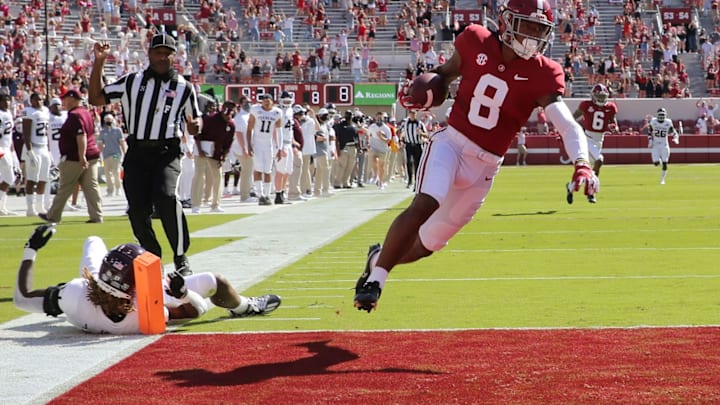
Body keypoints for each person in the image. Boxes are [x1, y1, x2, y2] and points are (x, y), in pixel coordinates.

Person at [353, 0, 597, 313]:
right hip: (451, 144)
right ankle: (376, 283)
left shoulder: (543, 73)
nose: (535, 36)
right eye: (529, 26)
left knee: (424, 246)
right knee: (426, 203)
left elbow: (566, 124)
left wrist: (582, 163)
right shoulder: (475, 41)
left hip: (485, 168)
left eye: (540, 29)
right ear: (507, 22)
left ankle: (376, 259)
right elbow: (443, 74)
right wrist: (423, 90)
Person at [13, 224, 282, 334]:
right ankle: (245, 307)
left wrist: (31, 249)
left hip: (96, 281)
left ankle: (111, 268)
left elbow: (21, 298)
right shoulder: (146, 309)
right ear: (135, 286)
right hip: (112, 287)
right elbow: (196, 311)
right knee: (216, 281)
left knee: (94, 240)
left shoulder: (74, 293)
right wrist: (182, 294)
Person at [88, 33, 202, 276]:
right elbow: (96, 98)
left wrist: (195, 126)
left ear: (174, 56)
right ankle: (152, 256)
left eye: (166, 53)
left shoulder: (184, 87)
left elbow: (196, 118)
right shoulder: (132, 81)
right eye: (157, 52)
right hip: (137, 150)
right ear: (149, 54)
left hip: (167, 151)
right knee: (137, 209)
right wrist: (99, 62)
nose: (161, 57)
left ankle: (181, 255)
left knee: (166, 196)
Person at [40, 89, 103, 224]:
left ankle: (53, 215)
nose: (64, 102)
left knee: (65, 187)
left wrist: (81, 156)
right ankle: (96, 216)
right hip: (91, 154)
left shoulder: (75, 115)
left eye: (65, 99)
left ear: (72, 99)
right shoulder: (86, 113)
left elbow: (81, 136)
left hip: (76, 158)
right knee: (91, 187)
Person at [571, 83, 618, 203]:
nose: (601, 99)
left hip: (599, 140)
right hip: (587, 138)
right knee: (599, 160)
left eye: (603, 96)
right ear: (593, 95)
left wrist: (614, 128)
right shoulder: (586, 105)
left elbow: (613, 123)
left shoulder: (610, 107)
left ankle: (571, 187)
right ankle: (591, 191)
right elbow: (573, 118)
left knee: (588, 169)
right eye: (599, 96)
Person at [191, 101, 237, 213]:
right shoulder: (209, 119)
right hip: (202, 150)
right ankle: (196, 205)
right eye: (226, 114)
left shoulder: (231, 125)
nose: (228, 117)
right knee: (199, 176)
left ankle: (215, 204)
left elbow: (228, 144)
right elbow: (197, 135)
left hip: (216, 153)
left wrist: (223, 157)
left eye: (230, 115)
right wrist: (200, 149)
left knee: (218, 178)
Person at [246, 94, 283, 206]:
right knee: (258, 169)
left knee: (268, 170)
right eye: (264, 101)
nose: (266, 103)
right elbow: (249, 128)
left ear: (273, 102)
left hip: (268, 143)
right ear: (261, 102)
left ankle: (266, 195)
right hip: (257, 143)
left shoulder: (277, 112)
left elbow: (279, 131)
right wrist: (249, 144)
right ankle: (260, 195)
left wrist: (279, 148)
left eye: (268, 101)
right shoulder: (256, 110)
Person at [22, 92, 52, 217]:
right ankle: (30, 207)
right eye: (36, 99)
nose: (39, 101)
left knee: (44, 178)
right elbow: (26, 133)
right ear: (31, 101)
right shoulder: (29, 111)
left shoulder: (45, 110)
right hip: (34, 147)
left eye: (40, 99)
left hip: (44, 147)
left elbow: (47, 132)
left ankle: (40, 205)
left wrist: (49, 149)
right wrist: (29, 151)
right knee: (32, 178)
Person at [96, 115, 127, 197]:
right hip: (106, 155)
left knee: (116, 170)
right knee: (107, 172)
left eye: (109, 120)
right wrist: (98, 153)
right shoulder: (102, 132)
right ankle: (110, 190)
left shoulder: (117, 130)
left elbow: (122, 142)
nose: (108, 121)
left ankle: (118, 188)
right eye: (106, 120)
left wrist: (125, 152)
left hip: (116, 154)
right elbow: (100, 144)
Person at [647, 108, 679, 185]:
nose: (661, 117)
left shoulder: (668, 122)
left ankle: (662, 179)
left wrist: (676, 138)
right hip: (656, 145)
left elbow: (673, 132)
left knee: (665, 162)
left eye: (663, 115)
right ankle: (661, 165)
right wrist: (650, 141)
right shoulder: (653, 121)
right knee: (656, 163)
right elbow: (649, 132)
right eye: (660, 115)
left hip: (664, 145)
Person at [397, 110, 428, 189]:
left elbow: (426, 134)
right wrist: (400, 140)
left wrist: (421, 133)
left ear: (416, 114)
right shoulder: (405, 123)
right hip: (409, 145)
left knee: (417, 164)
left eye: (414, 113)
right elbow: (399, 131)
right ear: (409, 114)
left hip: (417, 145)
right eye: (411, 113)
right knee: (409, 162)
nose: (412, 115)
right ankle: (410, 180)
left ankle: (417, 182)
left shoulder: (420, 124)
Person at [0, 93, 18, 215]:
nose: (7, 103)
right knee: (9, 176)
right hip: (0, 147)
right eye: (4, 100)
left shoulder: (9, 113)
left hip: (7, 147)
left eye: (8, 100)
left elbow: (9, 135)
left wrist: (12, 151)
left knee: (5, 177)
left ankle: (2, 206)